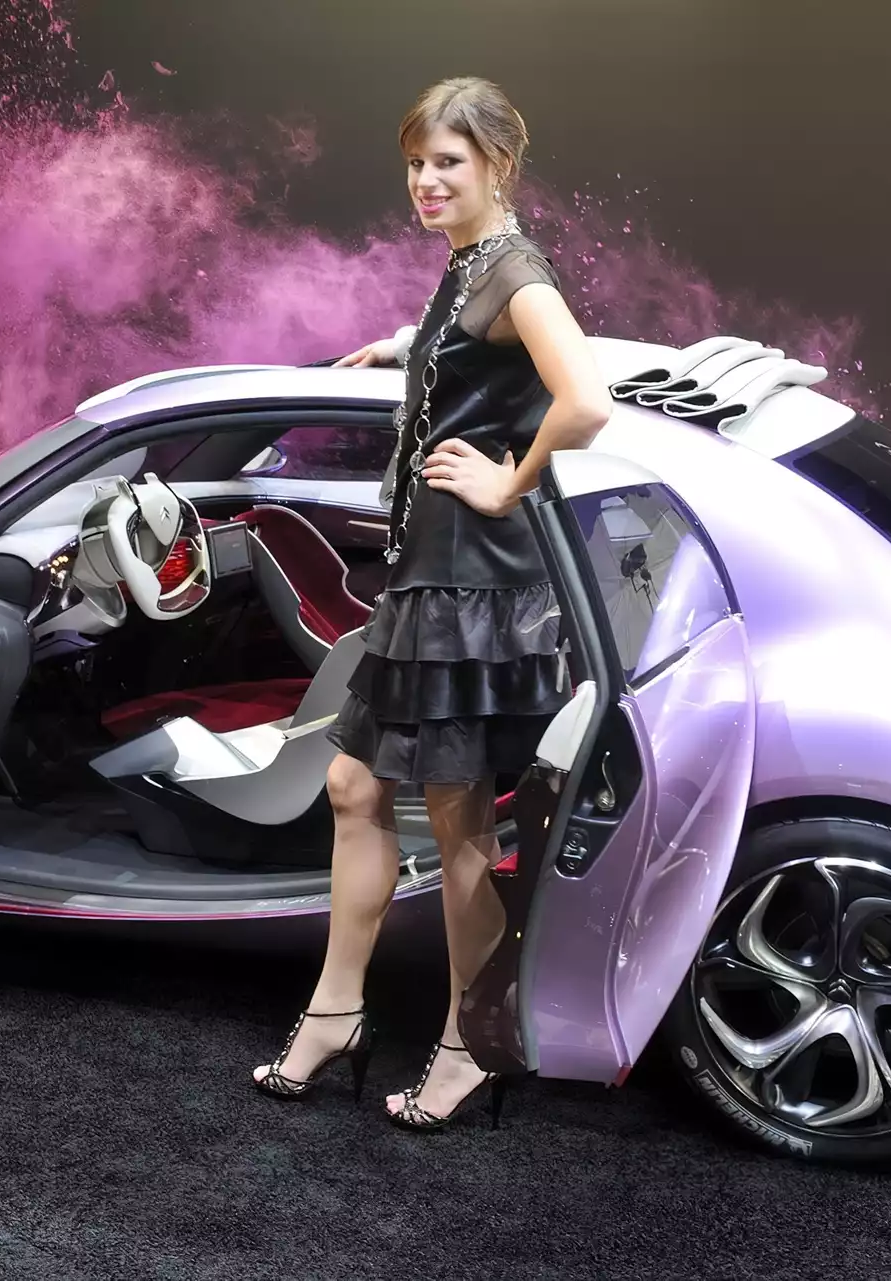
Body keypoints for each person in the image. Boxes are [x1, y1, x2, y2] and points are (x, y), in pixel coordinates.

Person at [250, 76, 613, 1130]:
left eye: (447, 162)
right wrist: (408, 352)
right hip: (432, 580)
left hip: (469, 587)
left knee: (457, 828)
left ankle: (470, 1044)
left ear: (498, 164)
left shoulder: (516, 272)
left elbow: (585, 399)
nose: (425, 180)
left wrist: (511, 481)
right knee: (354, 787)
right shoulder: (471, 266)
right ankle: (336, 1013)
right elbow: (479, 351)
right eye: (416, 163)